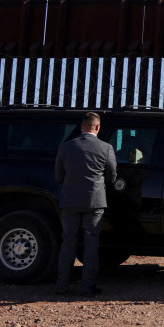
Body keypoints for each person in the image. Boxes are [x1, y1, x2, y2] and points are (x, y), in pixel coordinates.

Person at [55, 111, 117, 296]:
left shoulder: (66, 147)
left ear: (82, 127)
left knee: (68, 242)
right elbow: (112, 176)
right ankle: (88, 286)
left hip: (69, 200)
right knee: (91, 243)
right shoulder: (106, 148)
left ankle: (62, 286)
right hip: (94, 201)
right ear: (97, 127)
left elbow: (58, 175)